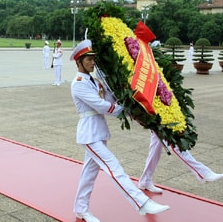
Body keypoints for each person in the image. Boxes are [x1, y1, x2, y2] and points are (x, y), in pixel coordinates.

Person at [70, 39, 169, 222]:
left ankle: (80, 209)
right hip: (89, 134)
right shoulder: (78, 83)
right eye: (89, 59)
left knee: (89, 174)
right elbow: (100, 105)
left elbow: (109, 97)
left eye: (93, 58)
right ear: (79, 62)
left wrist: (129, 100)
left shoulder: (95, 81)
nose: (93, 62)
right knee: (113, 167)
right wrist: (122, 110)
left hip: (98, 132)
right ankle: (141, 203)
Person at [138, 131, 223, 193]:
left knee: (154, 151)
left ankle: (145, 181)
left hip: (162, 114)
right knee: (176, 146)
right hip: (157, 116)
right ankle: (204, 173)